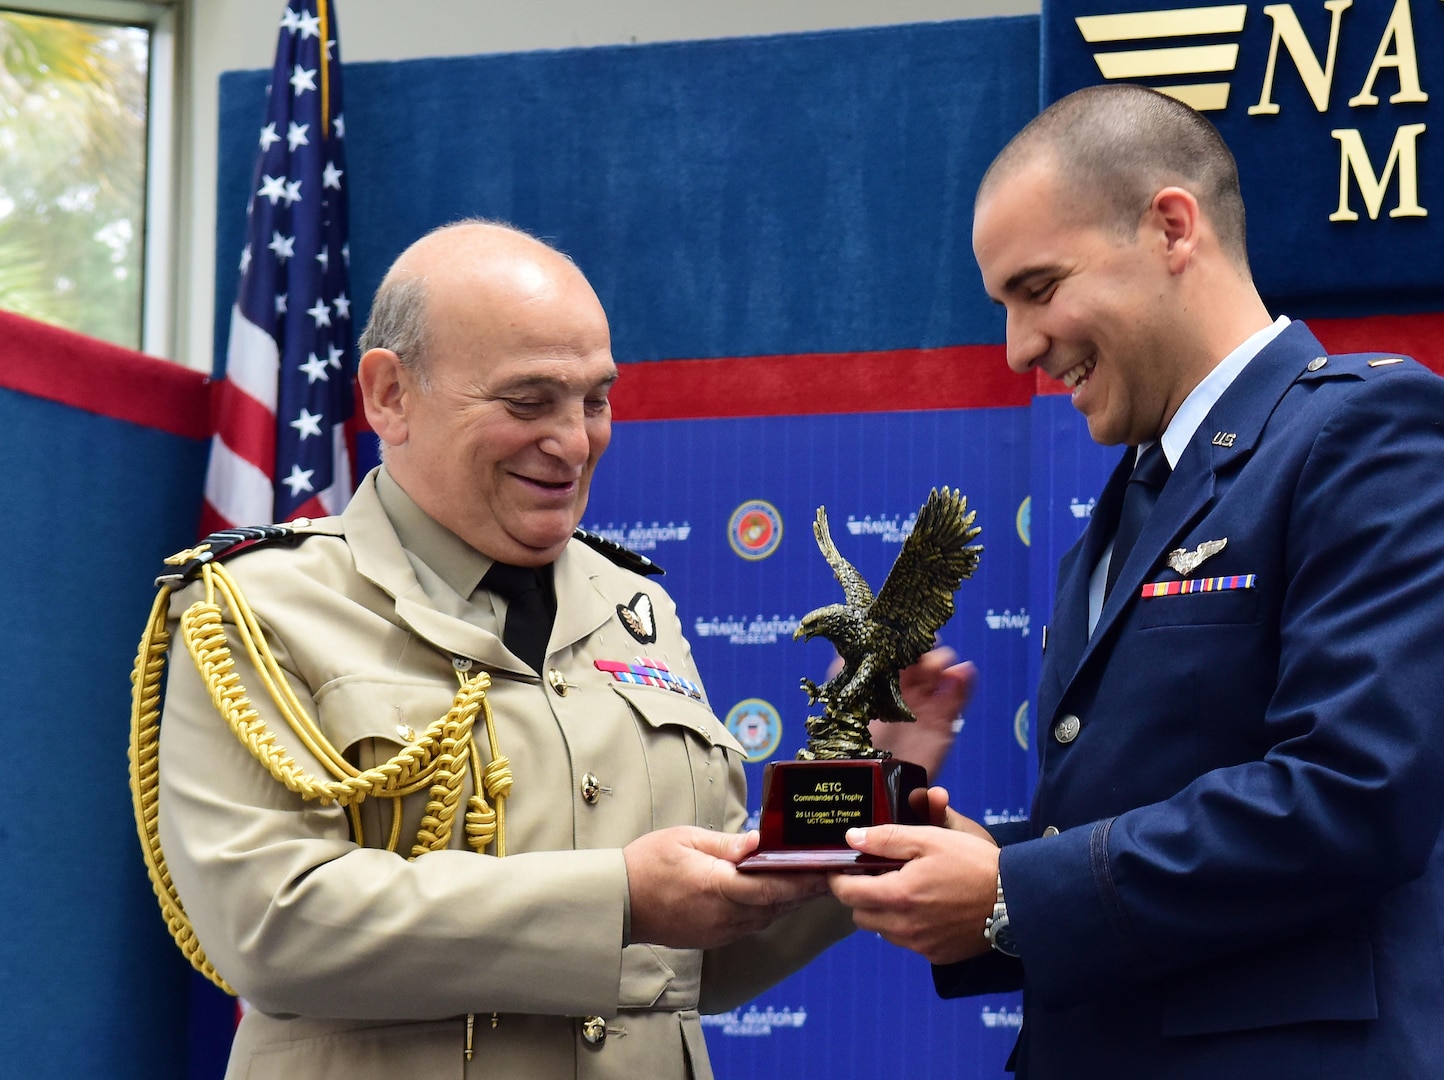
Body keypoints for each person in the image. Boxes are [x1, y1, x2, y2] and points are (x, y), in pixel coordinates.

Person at [152, 221, 972, 1079]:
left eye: (594, 400)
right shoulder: (257, 607)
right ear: (389, 394)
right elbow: (270, 925)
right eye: (528, 401)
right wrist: (618, 897)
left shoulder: (636, 605)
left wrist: (867, 781)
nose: (576, 442)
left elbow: (698, 960)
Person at [829, 85, 1444, 1077]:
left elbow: (1357, 795)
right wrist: (965, 862)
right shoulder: (1129, 503)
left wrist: (1015, 890)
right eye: (1005, 305)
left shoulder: (1373, 432)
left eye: (1039, 286)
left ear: (1171, 228)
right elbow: (1137, 819)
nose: (1019, 347)